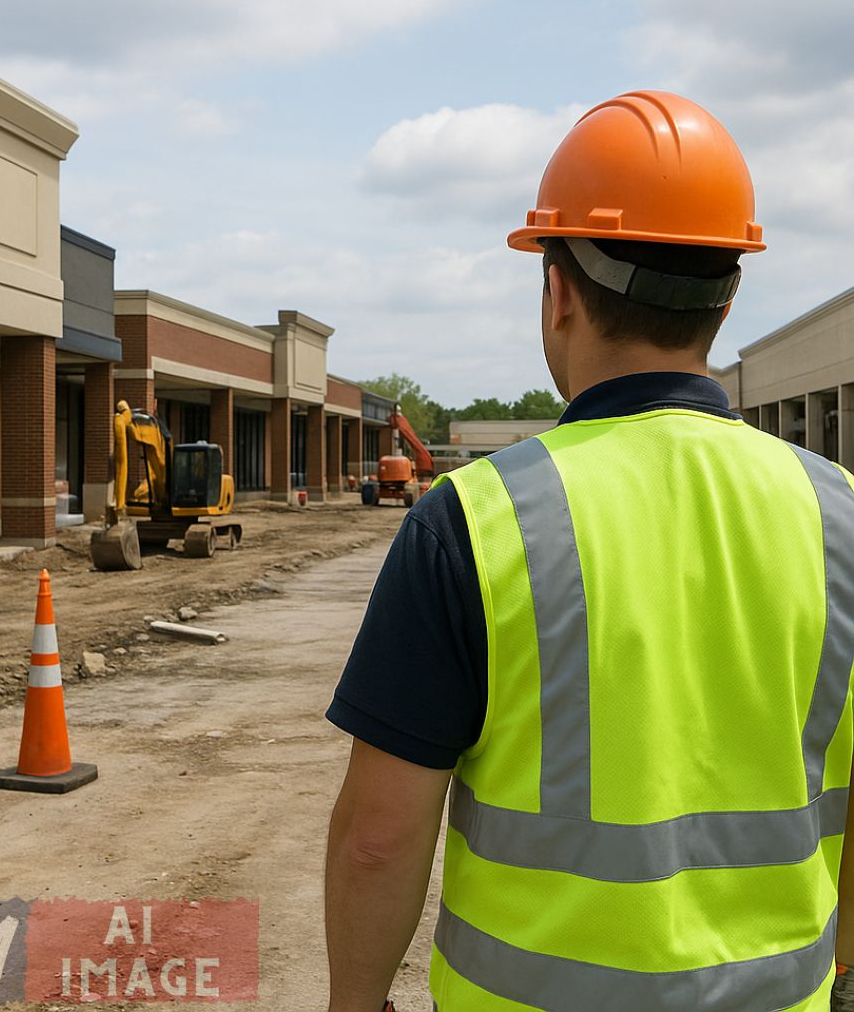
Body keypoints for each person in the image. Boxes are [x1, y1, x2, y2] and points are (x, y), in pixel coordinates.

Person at [323, 90, 854, 1012]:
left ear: (559, 290)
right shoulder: (840, 515)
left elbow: (379, 836)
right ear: (727, 296)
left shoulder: (472, 522)